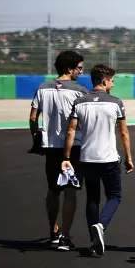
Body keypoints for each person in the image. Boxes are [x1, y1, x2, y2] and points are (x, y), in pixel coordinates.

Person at [62, 64, 134, 257]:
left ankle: (95, 241)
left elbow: (71, 131)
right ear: (104, 81)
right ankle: (101, 226)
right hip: (109, 158)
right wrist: (128, 157)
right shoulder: (116, 103)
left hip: (86, 158)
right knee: (115, 196)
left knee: (92, 199)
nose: (113, 84)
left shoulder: (79, 102)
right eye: (112, 81)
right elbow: (124, 132)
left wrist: (66, 157)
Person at [29, 50, 88, 251]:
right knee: (71, 190)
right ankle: (66, 235)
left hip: (51, 145)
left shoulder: (42, 88)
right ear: (70, 68)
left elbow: (32, 118)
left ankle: (53, 231)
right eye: (79, 68)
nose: (81, 72)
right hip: (75, 146)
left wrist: (35, 136)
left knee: (53, 189)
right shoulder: (80, 91)